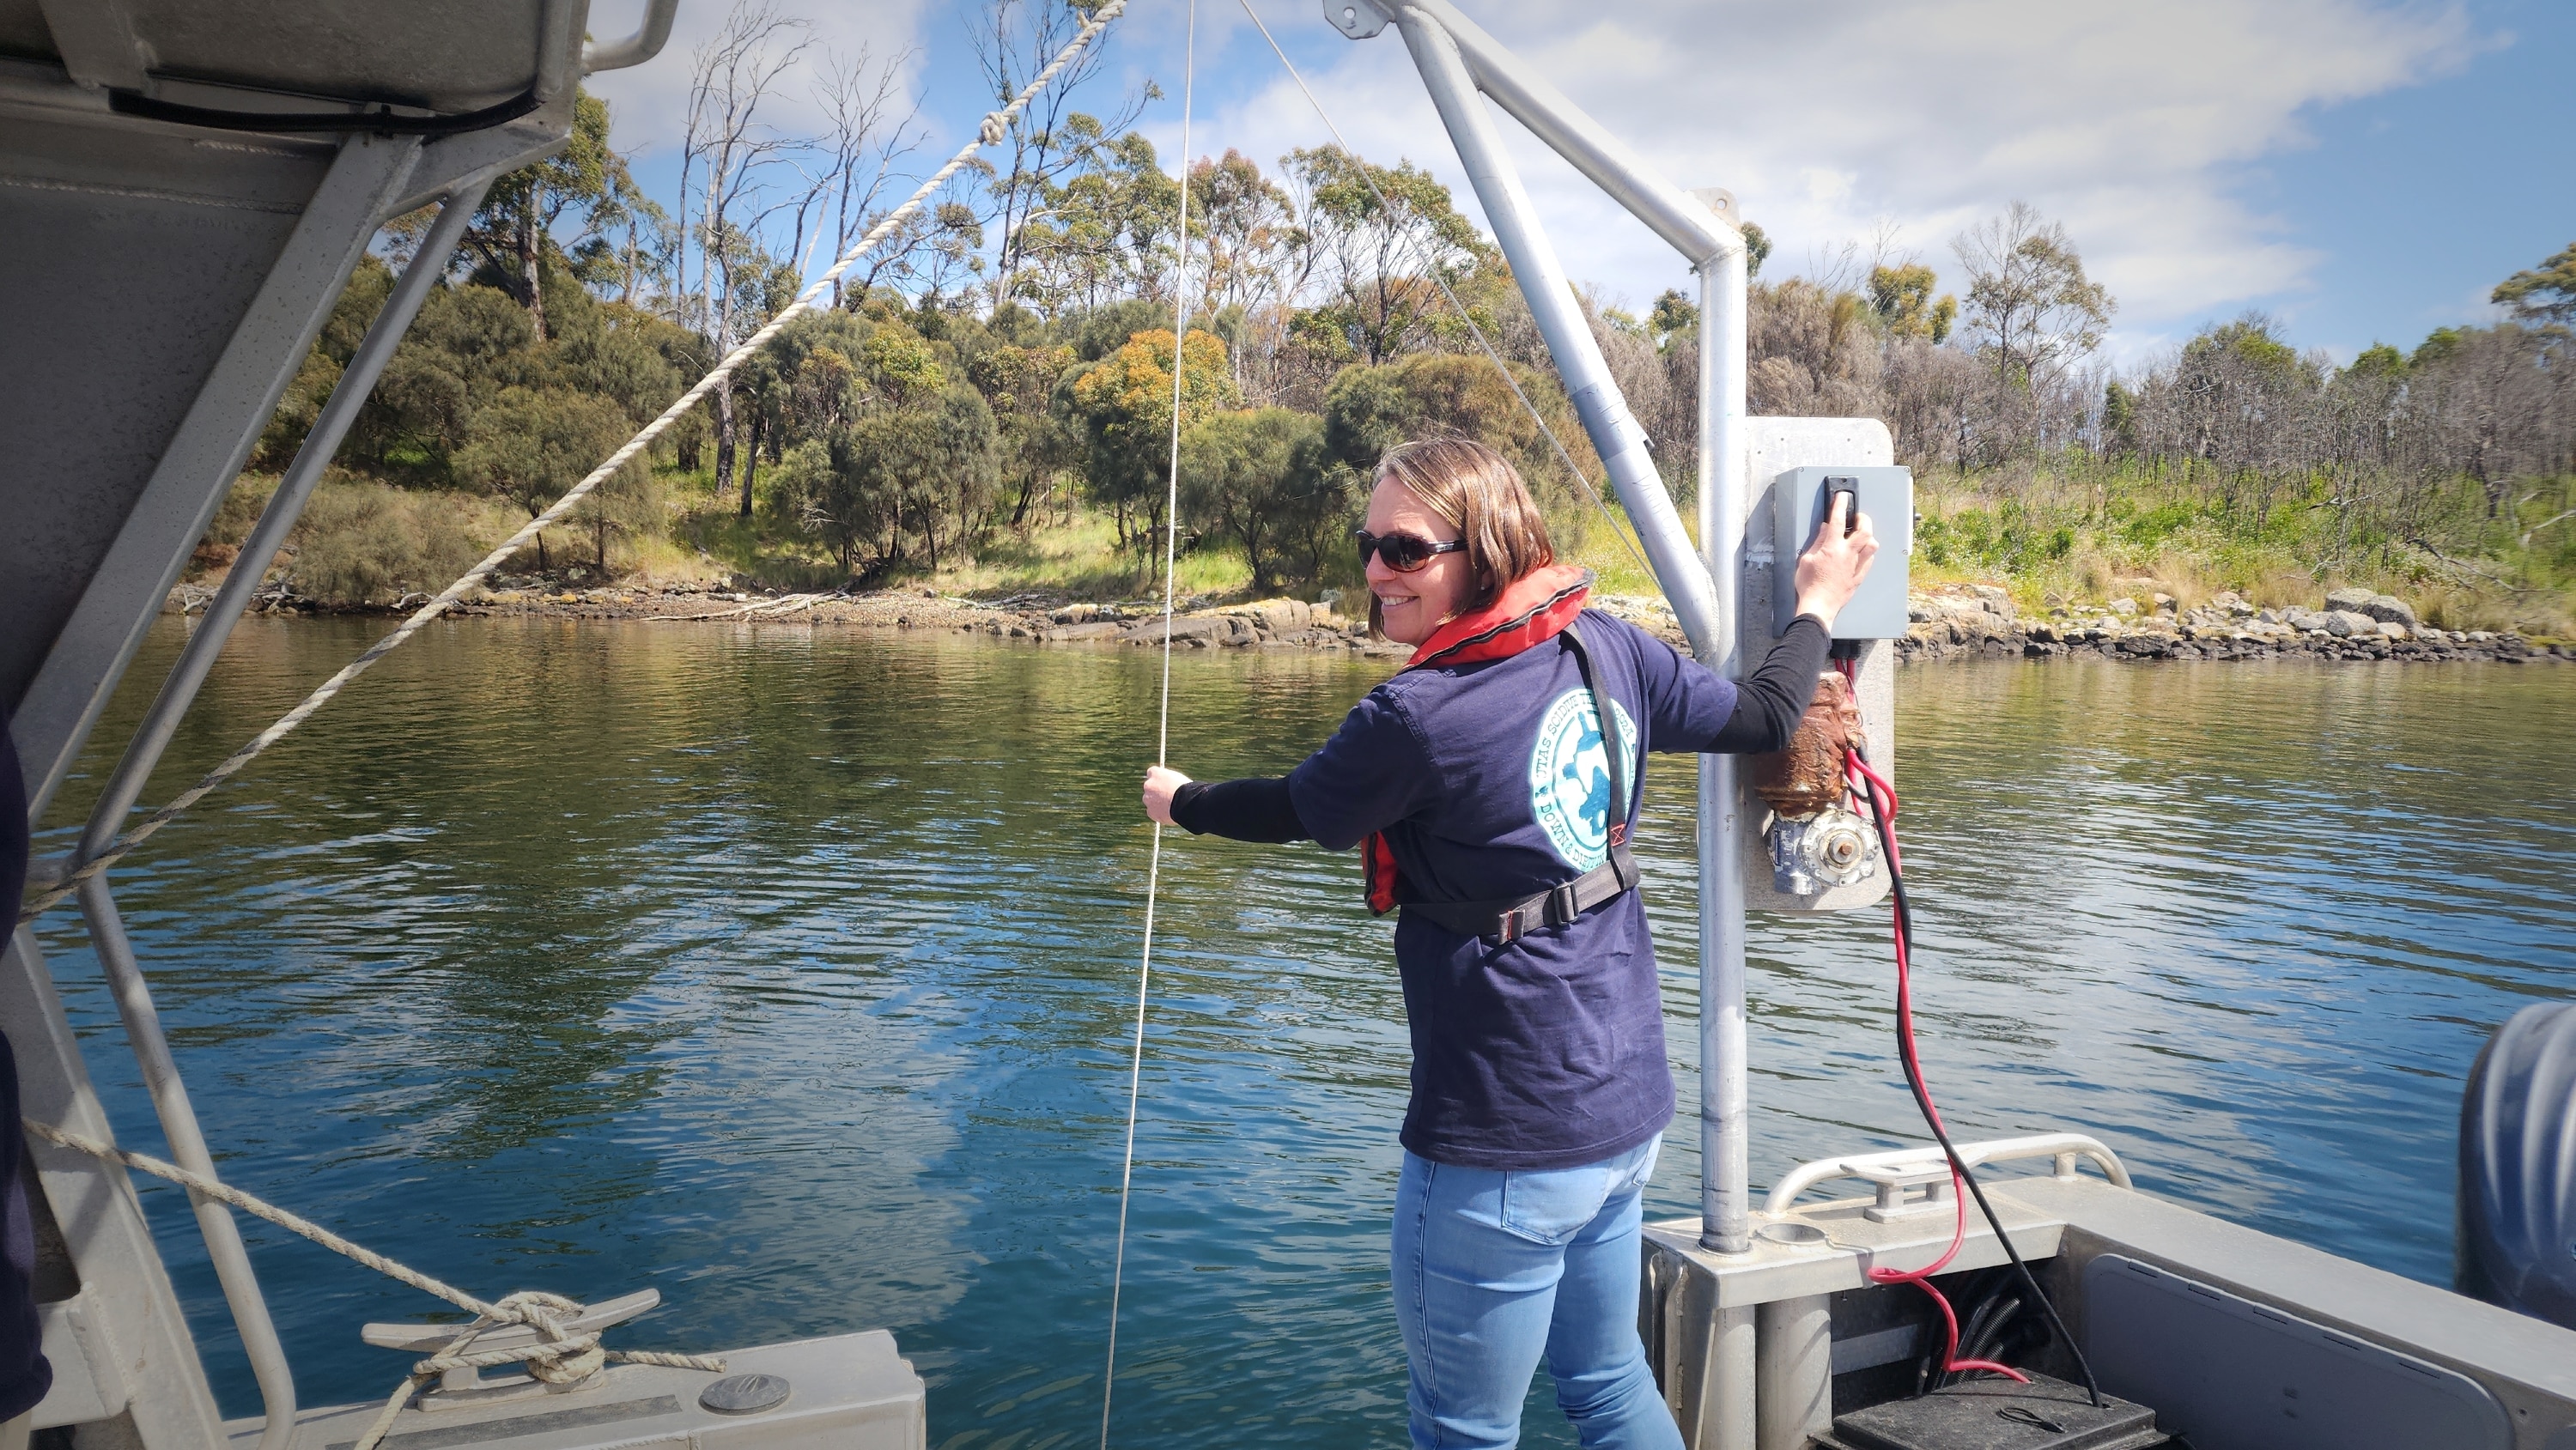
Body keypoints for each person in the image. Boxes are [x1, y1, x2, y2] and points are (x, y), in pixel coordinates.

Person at [1139, 438, 1876, 1450]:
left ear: (1483, 549)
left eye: (1406, 549)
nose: (1376, 570)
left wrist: (1183, 803)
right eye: (1368, 545)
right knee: (1608, 1384)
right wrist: (1818, 603)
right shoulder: (1607, 647)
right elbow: (1763, 714)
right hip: (1621, 1114)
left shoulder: (1414, 716)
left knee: (1463, 1430)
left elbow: (1297, 809)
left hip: (1502, 1142)